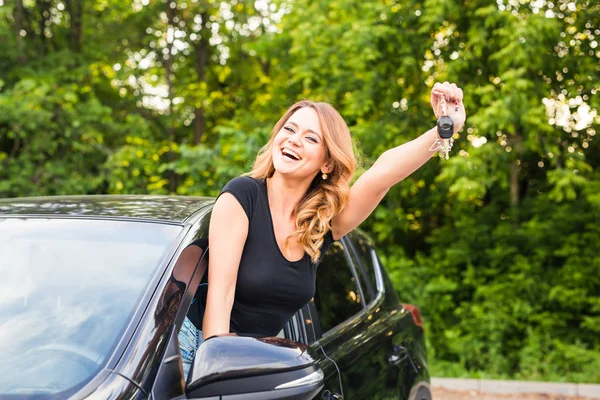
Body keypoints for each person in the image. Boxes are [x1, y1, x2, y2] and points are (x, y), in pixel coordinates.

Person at [179, 81, 466, 378]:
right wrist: (213, 378)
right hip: (200, 352)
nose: (293, 140)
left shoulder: (321, 222)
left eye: (310, 138)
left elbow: (381, 175)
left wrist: (446, 128)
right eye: (288, 130)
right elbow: (220, 297)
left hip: (254, 359)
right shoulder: (242, 196)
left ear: (327, 163)